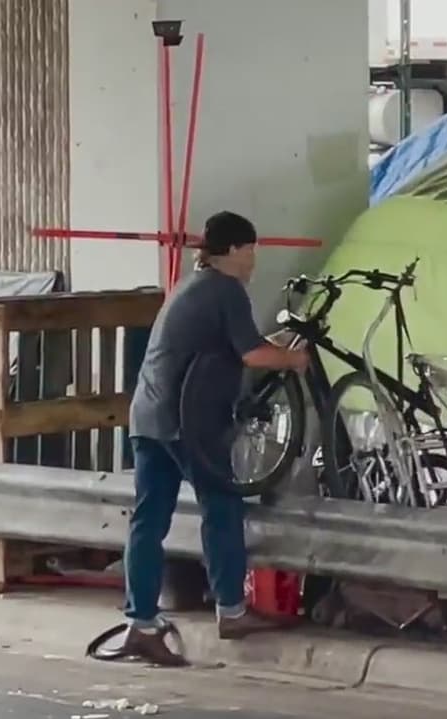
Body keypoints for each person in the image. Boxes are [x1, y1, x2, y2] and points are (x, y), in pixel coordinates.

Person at [120, 211, 309, 666]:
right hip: (189, 422)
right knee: (222, 507)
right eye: (251, 251)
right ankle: (232, 610)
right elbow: (252, 353)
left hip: (148, 415)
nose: (253, 261)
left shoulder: (190, 285)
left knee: (148, 521)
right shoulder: (226, 290)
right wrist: (294, 359)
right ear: (234, 250)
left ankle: (141, 623)